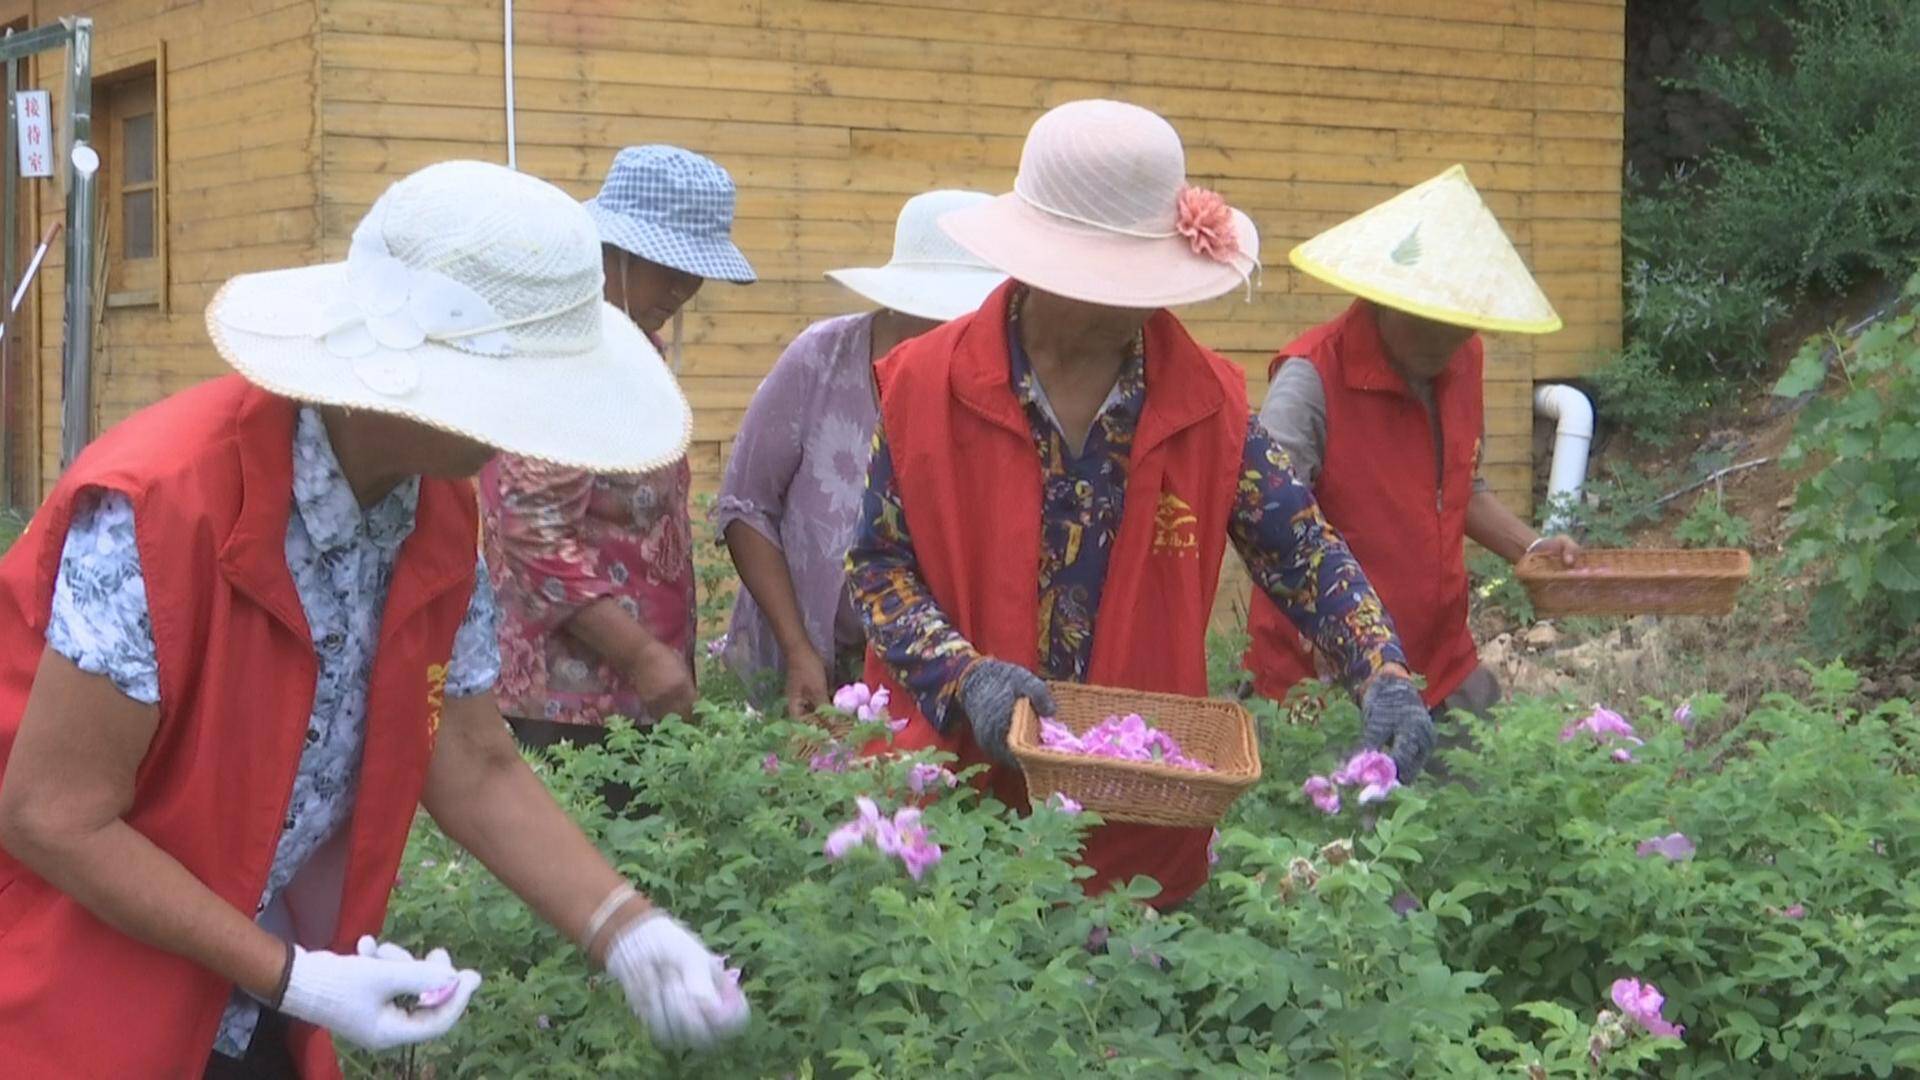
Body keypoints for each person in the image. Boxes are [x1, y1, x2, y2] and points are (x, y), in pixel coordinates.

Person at [0, 162, 748, 1079]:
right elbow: (52, 817)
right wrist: (292, 977)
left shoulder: (432, 508)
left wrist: (625, 928)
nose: (529, 431)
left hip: (247, 993)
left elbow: (471, 758)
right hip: (75, 985)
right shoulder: (161, 506)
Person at [845, 99, 1434, 911]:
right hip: (955, 815)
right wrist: (963, 676)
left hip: (1137, 833)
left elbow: (1301, 551)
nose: (1145, 302)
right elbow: (878, 567)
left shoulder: (1209, 404)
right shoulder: (922, 384)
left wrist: (1382, 669)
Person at [1246, 165, 1580, 731]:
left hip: (1442, 665)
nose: (1447, 341)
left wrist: (1533, 547)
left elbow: (1460, 489)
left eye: (1459, 323)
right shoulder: (1310, 380)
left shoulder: (1462, 358)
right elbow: (1263, 527)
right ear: (1385, 298)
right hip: (1332, 682)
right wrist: (1332, 628)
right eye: (1431, 321)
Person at [481, 145, 755, 750]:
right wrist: (639, 654)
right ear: (614, 252)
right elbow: (529, 529)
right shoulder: (567, 359)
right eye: (670, 265)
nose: (688, 286)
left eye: (696, 268)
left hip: (632, 701)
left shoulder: (631, 348)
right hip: (567, 711)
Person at [714, 189, 1005, 715]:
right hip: (798, 664)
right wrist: (798, 646)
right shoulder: (820, 359)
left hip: (926, 677)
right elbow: (746, 506)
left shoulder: (990, 385)